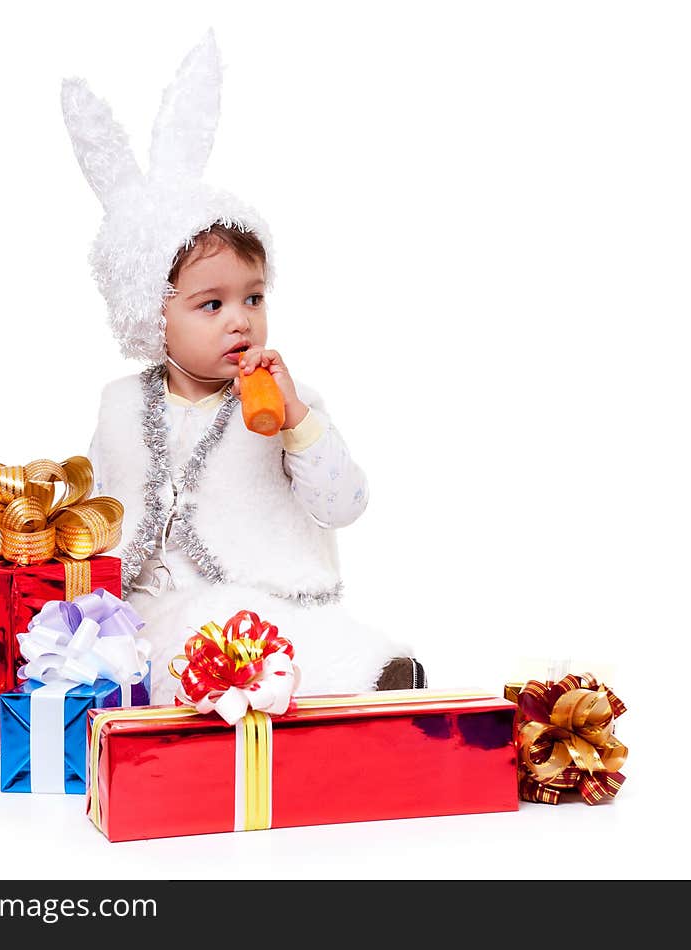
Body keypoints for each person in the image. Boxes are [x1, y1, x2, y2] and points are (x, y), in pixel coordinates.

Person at [63, 31, 424, 704]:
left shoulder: (290, 401)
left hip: (272, 602)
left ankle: (376, 680)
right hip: (152, 621)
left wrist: (298, 424)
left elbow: (344, 505)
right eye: (212, 303)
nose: (240, 319)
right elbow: (96, 511)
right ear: (151, 314)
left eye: (253, 298)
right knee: (189, 630)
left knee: (279, 632)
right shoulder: (117, 405)